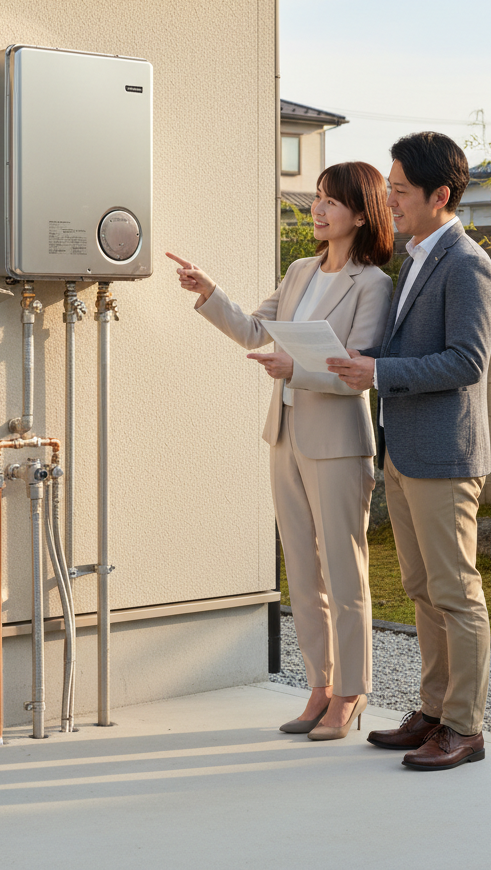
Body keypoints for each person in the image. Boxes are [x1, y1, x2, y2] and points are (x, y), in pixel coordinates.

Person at [168, 162, 393, 740]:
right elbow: (251, 331)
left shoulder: (373, 284)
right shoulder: (299, 271)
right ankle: (319, 687)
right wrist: (209, 291)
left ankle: (351, 691)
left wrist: (299, 368)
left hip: (340, 442)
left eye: (330, 202)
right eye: (317, 198)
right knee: (301, 572)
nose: (317, 209)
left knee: (345, 574)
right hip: (285, 433)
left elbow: (358, 372)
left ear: (362, 213)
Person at [328, 132, 491, 771]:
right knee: (423, 588)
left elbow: (466, 361)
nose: (390, 202)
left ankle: (465, 727)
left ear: (440, 195)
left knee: (456, 592)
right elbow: (408, 352)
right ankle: (433, 712)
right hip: (403, 451)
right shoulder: (417, 257)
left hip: (444, 456)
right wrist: (362, 362)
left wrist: (377, 375)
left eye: (399, 191)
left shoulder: (467, 263)